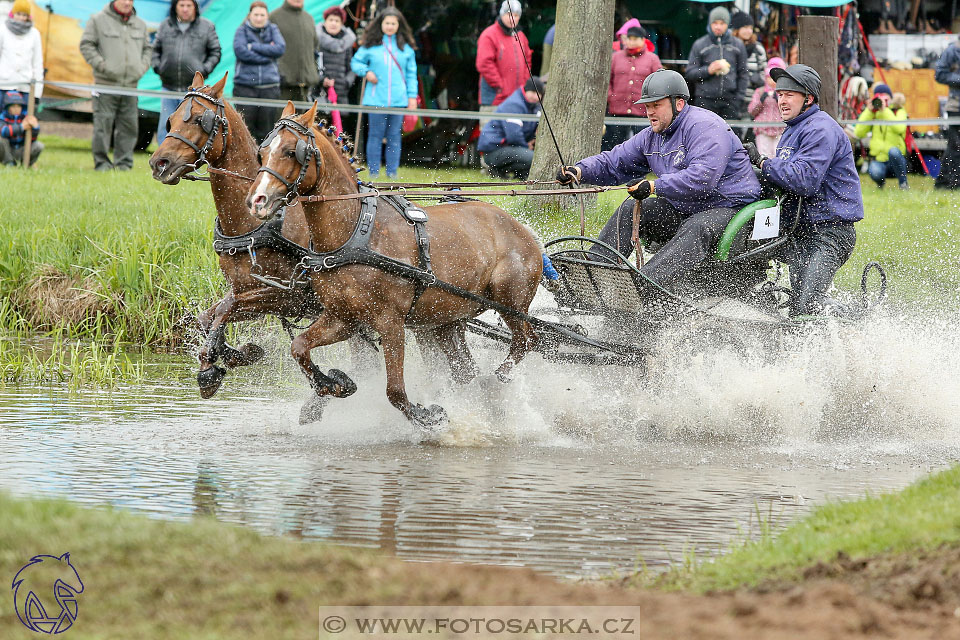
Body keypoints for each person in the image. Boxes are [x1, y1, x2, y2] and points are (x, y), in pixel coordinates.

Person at [555, 69, 762, 291]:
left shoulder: (705, 127)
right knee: (630, 209)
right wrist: (579, 171)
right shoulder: (652, 136)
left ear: (679, 104)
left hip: (730, 207)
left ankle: (641, 288)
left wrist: (655, 185)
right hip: (688, 206)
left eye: (656, 106)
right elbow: (615, 161)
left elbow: (703, 178)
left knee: (697, 227)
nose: (649, 113)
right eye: (647, 107)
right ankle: (593, 277)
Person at [744, 64, 864, 316]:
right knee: (797, 310)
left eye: (789, 95)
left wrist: (763, 162)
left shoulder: (821, 129)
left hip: (830, 232)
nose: (782, 101)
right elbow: (783, 181)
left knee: (808, 305)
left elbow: (804, 180)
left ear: (808, 98)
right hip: (802, 230)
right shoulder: (793, 129)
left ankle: (857, 319)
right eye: (779, 94)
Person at [79, 0, 152, 171]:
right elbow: (87, 45)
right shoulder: (97, 20)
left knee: (129, 127)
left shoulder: (140, 24)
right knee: (102, 126)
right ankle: (102, 164)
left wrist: (141, 68)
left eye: (130, 0)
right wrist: (102, 66)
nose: (127, 2)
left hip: (131, 86)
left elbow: (148, 49)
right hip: (106, 85)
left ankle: (124, 164)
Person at [350, 7, 417, 179]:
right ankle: (373, 172)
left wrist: (412, 97)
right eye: (387, 23)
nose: (389, 26)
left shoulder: (406, 48)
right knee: (375, 135)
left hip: (398, 99)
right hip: (375, 99)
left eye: (393, 23)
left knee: (394, 136)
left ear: (398, 25)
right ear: (380, 24)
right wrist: (367, 72)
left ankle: (392, 172)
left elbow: (411, 75)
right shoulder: (371, 45)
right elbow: (356, 62)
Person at [152, 0, 221, 144]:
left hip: (194, 91)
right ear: (175, 7)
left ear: (195, 8)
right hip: (168, 87)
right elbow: (155, 50)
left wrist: (204, 70)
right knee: (165, 127)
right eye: (181, 5)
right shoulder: (166, 25)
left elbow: (215, 51)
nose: (185, 9)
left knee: (191, 129)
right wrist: (159, 67)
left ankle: (190, 165)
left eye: (188, 6)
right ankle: (162, 164)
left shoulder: (206, 27)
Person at [603, 24, 662, 151]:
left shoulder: (652, 59)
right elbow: (606, 80)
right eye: (629, 38)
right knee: (614, 145)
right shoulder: (615, 57)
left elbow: (659, 82)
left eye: (635, 39)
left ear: (643, 40)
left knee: (642, 145)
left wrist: (651, 102)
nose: (631, 42)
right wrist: (610, 96)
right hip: (617, 110)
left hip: (642, 111)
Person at [233, 1, 285, 143]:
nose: (259, 18)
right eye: (256, 14)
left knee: (267, 130)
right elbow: (241, 52)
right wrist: (268, 54)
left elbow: (280, 48)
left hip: (269, 89)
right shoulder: (241, 30)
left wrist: (253, 46)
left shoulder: (273, 29)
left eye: (262, 15)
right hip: (245, 88)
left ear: (267, 16)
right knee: (245, 130)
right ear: (250, 15)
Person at [685, 6, 748, 120]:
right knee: (704, 135)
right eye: (715, 23)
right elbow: (690, 73)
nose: (718, 27)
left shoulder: (738, 45)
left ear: (727, 24)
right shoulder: (700, 44)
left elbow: (743, 74)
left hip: (730, 101)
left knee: (729, 136)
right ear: (710, 23)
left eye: (722, 23)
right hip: (705, 100)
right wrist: (708, 70)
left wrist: (738, 99)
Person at [477, 76, 544, 179]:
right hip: (494, 150)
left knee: (531, 158)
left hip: (510, 148)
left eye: (538, 94)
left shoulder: (533, 106)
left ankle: (509, 173)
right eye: (533, 93)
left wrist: (532, 141)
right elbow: (514, 136)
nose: (536, 97)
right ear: (526, 91)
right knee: (534, 158)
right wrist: (526, 146)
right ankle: (497, 169)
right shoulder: (514, 104)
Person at [476, 1, 530, 115]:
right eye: (509, 14)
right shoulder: (489, 35)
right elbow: (484, 63)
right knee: (491, 132)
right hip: (494, 100)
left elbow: (527, 62)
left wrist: (523, 85)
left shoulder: (521, 37)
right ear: (501, 14)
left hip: (516, 100)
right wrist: (500, 87)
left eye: (516, 15)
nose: (512, 19)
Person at [854, 83, 909, 190]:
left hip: (896, 160)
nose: (882, 100)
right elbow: (859, 133)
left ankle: (903, 183)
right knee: (875, 171)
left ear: (890, 98)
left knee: (893, 151)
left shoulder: (898, 110)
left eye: (885, 96)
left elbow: (900, 128)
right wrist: (868, 112)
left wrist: (885, 111)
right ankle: (880, 183)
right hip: (879, 159)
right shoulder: (874, 114)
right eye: (879, 97)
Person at [269, 0, 319, 103]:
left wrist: (312, 72)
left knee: (301, 119)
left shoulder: (309, 18)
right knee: (281, 119)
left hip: (305, 86)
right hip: (281, 86)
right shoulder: (273, 17)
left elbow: (315, 48)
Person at [0, 0, 44, 100]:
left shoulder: (34, 34)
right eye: (18, 14)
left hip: (25, 88)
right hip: (4, 86)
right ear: (13, 13)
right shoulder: (2, 30)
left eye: (24, 15)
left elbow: (37, 64)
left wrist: (37, 93)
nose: (21, 18)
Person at [934, 35, 960, 190]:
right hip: (956, 105)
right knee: (956, 146)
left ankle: (945, 183)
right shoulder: (953, 50)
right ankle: (947, 183)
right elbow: (940, 74)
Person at [315, 6, 355, 103]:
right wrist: (321, 80)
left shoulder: (347, 43)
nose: (333, 23)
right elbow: (310, 64)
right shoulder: (315, 41)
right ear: (325, 21)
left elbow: (351, 67)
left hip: (340, 92)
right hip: (318, 92)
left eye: (337, 21)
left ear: (342, 24)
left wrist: (345, 82)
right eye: (331, 20)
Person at [747, 57, 785, 158]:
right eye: (769, 77)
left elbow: (788, 111)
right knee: (764, 156)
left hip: (780, 129)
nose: (772, 81)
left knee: (779, 156)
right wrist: (761, 101)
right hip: (763, 130)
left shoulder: (785, 93)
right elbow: (751, 111)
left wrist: (778, 100)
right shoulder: (760, 91)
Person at [730, 11, 765, 116]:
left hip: (754, 100)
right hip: (733, 98)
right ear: (737, 29)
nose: (748, 31)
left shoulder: (758, 48)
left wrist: (758, 79)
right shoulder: (730, 48)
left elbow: (765, 70)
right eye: (745, 27)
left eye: (750, 28)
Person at [0, 89, 40, 166]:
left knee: (38, 145)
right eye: (13, 106)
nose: (16, 109)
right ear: (7, 107)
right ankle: (9, 162)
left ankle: (27, 163)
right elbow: (4, 131)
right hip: (8, 149)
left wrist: (35, 127)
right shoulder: (2, 117)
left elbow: (33, 138)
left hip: (21, 148)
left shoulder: (25, 117)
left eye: (18, 106)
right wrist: (21, 127)